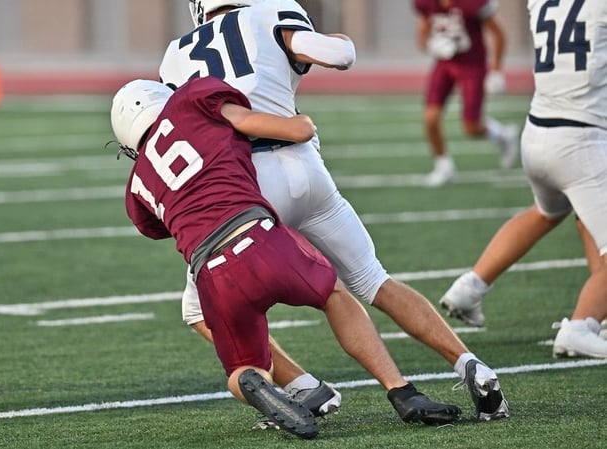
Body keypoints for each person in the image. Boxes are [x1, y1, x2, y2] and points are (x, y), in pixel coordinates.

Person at [159, 0, 509, 422]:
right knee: (373, 278)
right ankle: (471, 364)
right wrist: (339, 39)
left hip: (247, 185)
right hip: (307, 166)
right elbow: (338, 55)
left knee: (198, 310)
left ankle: (303, 386)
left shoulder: (177, 54)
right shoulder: (271, 12)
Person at [111, 76, 462, 439]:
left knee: (244, 367)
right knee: (335, 295)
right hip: (261, 238)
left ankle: (259, 381)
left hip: (211, 275)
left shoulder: (136, 186)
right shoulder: (191, 101)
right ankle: (400, 390)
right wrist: (303, 124)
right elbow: (274, 127)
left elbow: (155, 225)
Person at [440, 0, 607, 358]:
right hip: (581, 140)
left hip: (538, 132)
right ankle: (581, 326)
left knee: (549, 211)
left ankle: (470, 288)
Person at [414, 0, 518, 187]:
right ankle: (443, 166)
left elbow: (498, 34)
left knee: (471, 126)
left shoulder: (471, 2)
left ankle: (503, 136)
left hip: (472, 65)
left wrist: (496, 71)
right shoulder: (426, 3)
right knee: (430, 117)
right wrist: (431, 45)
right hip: (445, 64)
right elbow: (422, 35)